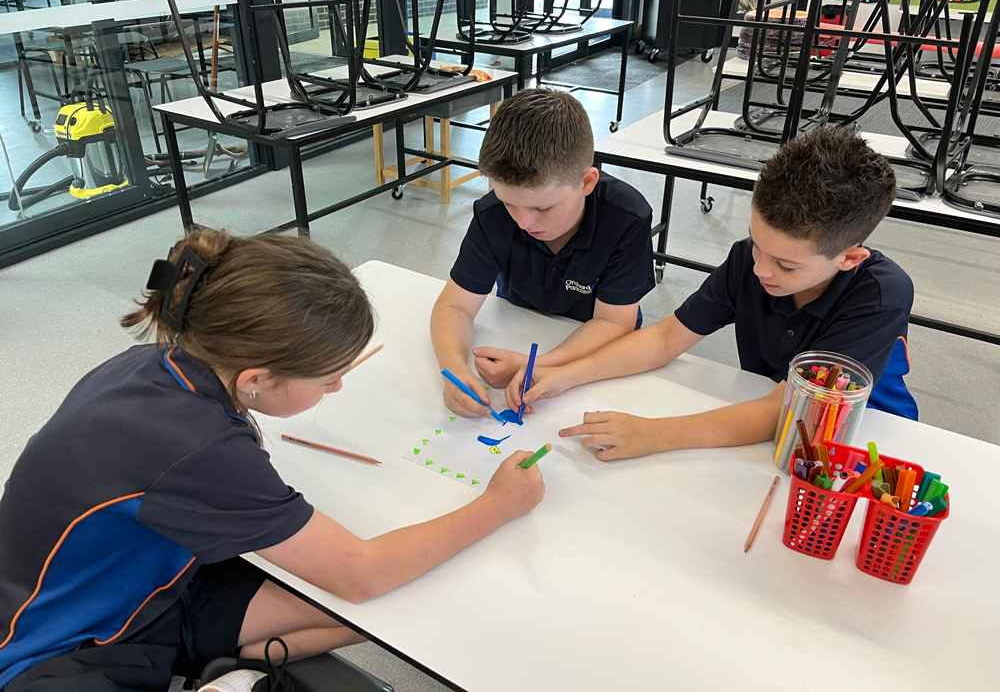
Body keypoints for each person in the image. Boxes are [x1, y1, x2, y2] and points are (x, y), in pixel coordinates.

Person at [0, 231, 544, 691]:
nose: (337, 386)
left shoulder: (157, 364)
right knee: (377, 591)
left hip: (155, 588)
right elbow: (360, 573)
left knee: (392, 606)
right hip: (52, 651)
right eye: (328, 378)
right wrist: (498, 505)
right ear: (257, 380)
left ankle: (220, 665)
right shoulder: (198, 447)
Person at [508, 126, 917, 461]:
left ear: (849, 258)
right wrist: (564, 375)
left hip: (861, 441)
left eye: (786, 265)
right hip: (766, 422)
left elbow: (788, 408)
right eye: (757, 244)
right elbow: (665, 338)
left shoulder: (880, 295)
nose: (760, 270)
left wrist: (654, 434)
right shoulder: (749, 262)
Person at [431, 89, 655, 418]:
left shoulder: (626, 218)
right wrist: (454, 370)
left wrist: (538, 365)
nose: (523, 222)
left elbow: (613, 322)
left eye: (542, 208)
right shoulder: (493, 215)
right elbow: (454, 306)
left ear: (587, 182)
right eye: (509, 203)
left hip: (596, 354)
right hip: (520, 325)